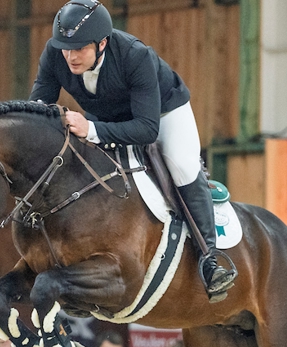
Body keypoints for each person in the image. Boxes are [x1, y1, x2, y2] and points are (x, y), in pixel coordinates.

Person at [29, 0, 236, 302]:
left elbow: (146, 130)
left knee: (180, 163)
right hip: (109, 118)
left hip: (162, 114)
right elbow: (39, 108)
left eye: (80, 48)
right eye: (65, 48)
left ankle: (210, 259)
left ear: (102, 43)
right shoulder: (55, 53)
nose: (71, 56)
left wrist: (91, 129)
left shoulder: (134, 56)